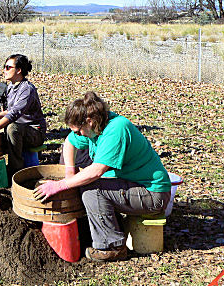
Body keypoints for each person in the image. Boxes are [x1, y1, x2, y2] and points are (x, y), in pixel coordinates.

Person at [34, 91, 171, 262]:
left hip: (152, 194)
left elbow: (96, 171)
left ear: (89, 121)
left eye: (78, 131)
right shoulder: (97, 128)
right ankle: (111, 228)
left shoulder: (116, 130)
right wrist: (69, 173)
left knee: (92, 190)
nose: (79, 135)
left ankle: (111, 247)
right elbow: (69, 142)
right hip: (132, 184)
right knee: (84, 182)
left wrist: (60, 185)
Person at [0, 54, 47, 177]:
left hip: (35, 131)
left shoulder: (27, 89)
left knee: (11, 128)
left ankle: (16, 171)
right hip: (21, 128)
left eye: (8, 67)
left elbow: (14, 114)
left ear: (19, 70)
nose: (4, 70)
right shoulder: (11, 86)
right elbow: (11, 110)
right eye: (4, 67)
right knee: (5, 127)